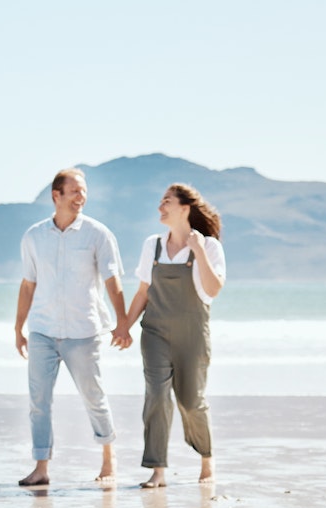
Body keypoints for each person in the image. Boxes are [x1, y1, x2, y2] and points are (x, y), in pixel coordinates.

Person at [14, 168, 130, 488]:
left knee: (93, 396)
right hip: (42, 330)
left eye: (84, 191)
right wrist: (18, 328)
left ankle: (108, 457)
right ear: (57, 195)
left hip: (83, 332)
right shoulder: (34, 236)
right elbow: (28, 284)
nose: (82, 197)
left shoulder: (98, 234)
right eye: (75, 191)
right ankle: (41, 467)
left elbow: (112, 281)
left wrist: (122, 322)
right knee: (39, 401)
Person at [114, 183, 227, 487]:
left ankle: (206, 458)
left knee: (191, 401)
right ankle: (157, 470)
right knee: (156, 396)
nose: (160, 207)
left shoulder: (210, 247)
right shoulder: (152, 245)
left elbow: (214, 289)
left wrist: (198, 250)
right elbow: (143, 291)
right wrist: (124, 326)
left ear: (184, 208)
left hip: (193, 336)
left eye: (166, 202)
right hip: (155, 334)